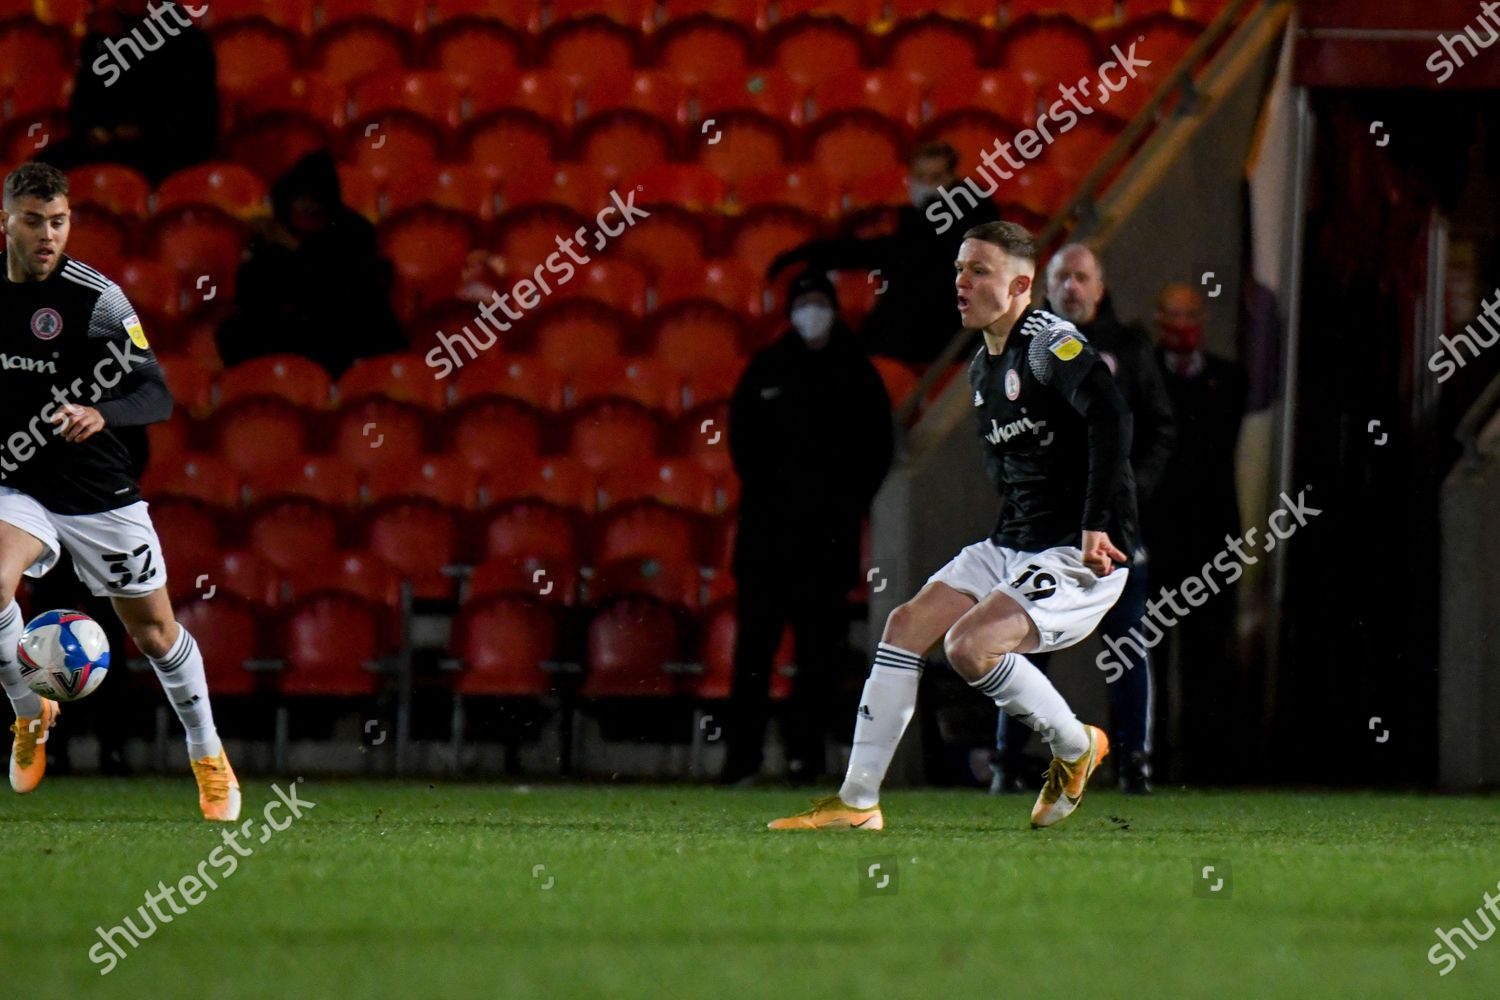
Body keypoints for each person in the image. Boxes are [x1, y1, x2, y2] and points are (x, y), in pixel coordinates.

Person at [769, 221, 1136, 831]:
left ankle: (1075, 747)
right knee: (907, 625)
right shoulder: (980, 367)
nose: (961, 283)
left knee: (968, 646)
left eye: (979, 272)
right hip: (1013, 541)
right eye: (959, 270)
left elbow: (1112, 416)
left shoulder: (1048, 342)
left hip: (1077, 548)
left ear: (1021, 284)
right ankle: (858, 803)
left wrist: (1097, 524)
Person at [0, 162, 239, 819]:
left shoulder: (96, 299)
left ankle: (207, 752)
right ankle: (30, 714)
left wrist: (102, 413)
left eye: (59, 221)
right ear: (6, 223)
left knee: (157, 634)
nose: (48, 235)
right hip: (19, 484)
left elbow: (156, 392)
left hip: (98, 490)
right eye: (33, 222)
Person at [991, 244, 1175, 794]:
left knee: (1125, 642)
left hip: (1112, 526)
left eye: (1082, 277)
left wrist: (1125, 495)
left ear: (1100, 286)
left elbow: (1159, 429)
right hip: (1048, 524)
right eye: (1061, 277)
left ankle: (1133, 762)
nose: (1072, 286)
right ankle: (1008, 759)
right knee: (1026, 637)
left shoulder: (1131, 348)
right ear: (1047, 286)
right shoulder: (1025, 345)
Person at [722, 271, 894, 786]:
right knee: (753, 654)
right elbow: (741, 444)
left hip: (828, 544)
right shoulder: (765, 369)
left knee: (818, 661)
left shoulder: (858, 375)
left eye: (821, 302)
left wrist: (843, 506)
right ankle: (742, 760)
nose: (811, 311)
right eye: (804, 302)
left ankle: (806, 759)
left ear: (834, 309)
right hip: (765, 543)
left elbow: (876, 451)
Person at [766, 141, 1000, 365]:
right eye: (921, 177)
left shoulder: (971, 211)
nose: (928, 185)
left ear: (952, 178)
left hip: (945, 330)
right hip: (904, 335)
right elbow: (867, 250)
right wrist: (801, 256)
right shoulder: (911, 222)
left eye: (936, 178)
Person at [1144, 282, 1247, 782]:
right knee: (1150, 657)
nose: (1183, 325)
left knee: (1210, 656)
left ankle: (1209, 764)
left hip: (1212, 541)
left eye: (1191, 315)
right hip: (1157, 538)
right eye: (1174, 315)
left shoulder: (1230, 380)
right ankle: (1150, 761)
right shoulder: (1143, 379)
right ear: (1159, 321)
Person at [216, 151, 405, 378]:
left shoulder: (356, 232)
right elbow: (249, 295)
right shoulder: (271, 233)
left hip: (338, 333)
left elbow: (341, 292)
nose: (305, 212)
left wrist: (295, 249)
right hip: (284, 333)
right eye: (299, 204)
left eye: (313, 208)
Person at [40, 0, 218, 185]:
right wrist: (99, 133)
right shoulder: (99, 43)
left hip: (164, 156)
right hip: (105, 151)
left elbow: (196, 128)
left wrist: (139, 132)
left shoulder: (190, 45)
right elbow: (82, 113)